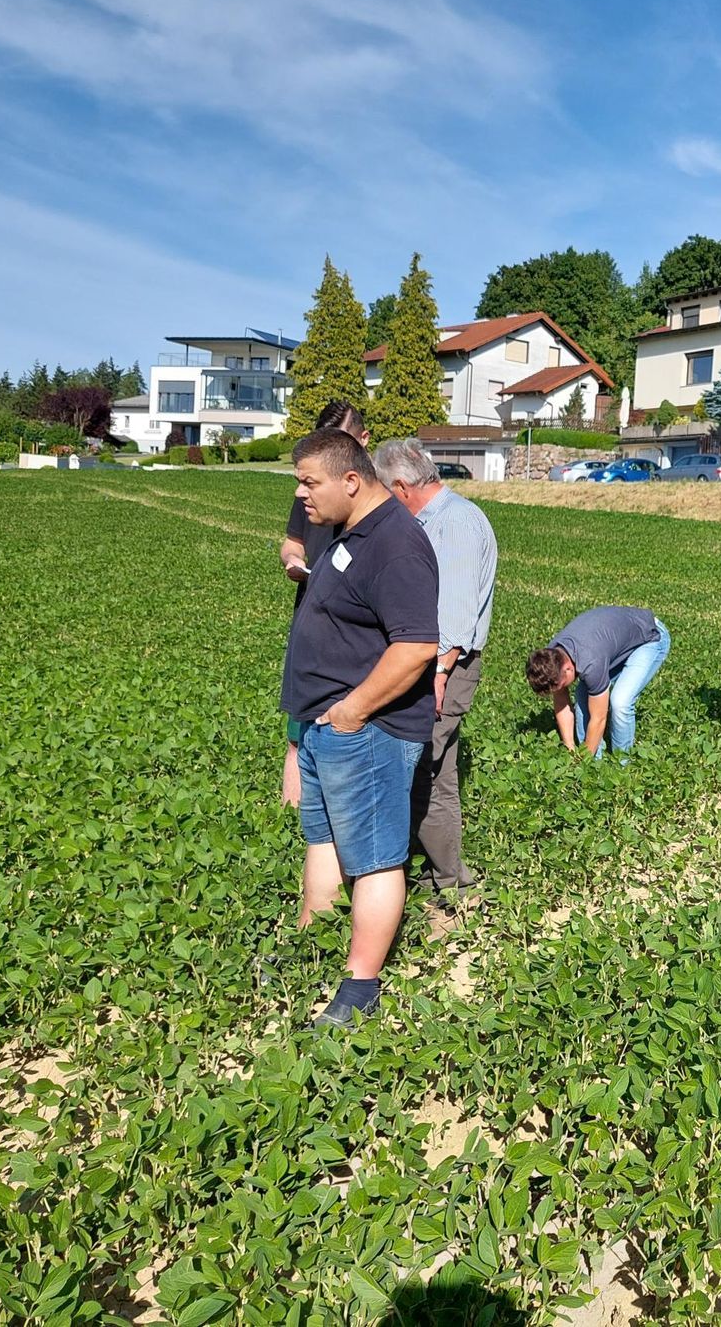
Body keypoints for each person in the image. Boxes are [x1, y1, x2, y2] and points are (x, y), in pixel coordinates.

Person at [281, 427, 440, 1029]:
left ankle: (361, 984)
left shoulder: (396, 544)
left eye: (309, 481)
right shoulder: (353, 532)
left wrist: (352, 712)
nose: (301, 495)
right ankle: (312, 948)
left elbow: (417, 647)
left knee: (373, 859)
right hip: (326, 726)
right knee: (323, 842)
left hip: (367, 730)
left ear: (351, 480)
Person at [373, 439, 499, 897]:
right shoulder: (434, 521)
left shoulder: (457, 524)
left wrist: (439, 675)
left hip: (445, 668)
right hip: (431, 665)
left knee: (417, 765)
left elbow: (456, 617)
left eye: (385, 493)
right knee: (436, 773)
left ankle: (432, 878)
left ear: (402, 487)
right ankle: (448, 877)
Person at [280, 401, 370, 806]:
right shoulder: (309, 494)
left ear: (363, 443)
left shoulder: (376, 504)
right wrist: (293, 562)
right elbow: (291, 543)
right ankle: (289, 825)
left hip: (352, 635)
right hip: (311, 622)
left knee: (344, 739)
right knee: (298, 736)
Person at [525, 606, 671, 757]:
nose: (559, 690)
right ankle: (595, 762)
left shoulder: (591, 662)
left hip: (649, 637)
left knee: (620, 702)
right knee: (584, 696)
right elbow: (561, 702)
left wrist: (584, 761)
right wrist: (570, 749)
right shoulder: (551, 658)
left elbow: (599, 718)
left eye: (560, 685)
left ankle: (621, 766)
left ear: (568, 668)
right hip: (617, 640)